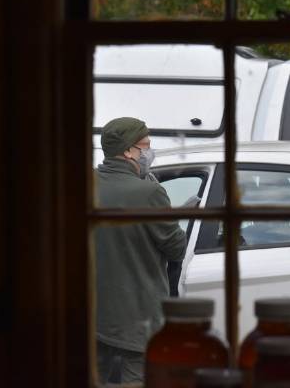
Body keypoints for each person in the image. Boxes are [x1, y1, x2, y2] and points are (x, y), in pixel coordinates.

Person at [94, 117, 187, 384]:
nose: (149, 152)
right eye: (145, 146)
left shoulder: (85, 183)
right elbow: (176, 248)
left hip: (93, 313)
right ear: (127, 151)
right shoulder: (149, 192)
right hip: (138, 314)